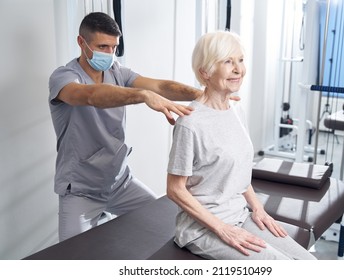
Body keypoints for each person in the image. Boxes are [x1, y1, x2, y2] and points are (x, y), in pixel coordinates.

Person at [48, 12, 201, 242]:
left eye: (113, 47)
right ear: (81, 43)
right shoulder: (64, 77)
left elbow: (160, 85)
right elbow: (90, 95)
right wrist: (142, 95)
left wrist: (202, 95)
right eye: (102, 46)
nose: (109, 54)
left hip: (120, 184)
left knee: (167, 222)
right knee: (71, 258)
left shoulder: (117, 72)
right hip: (81, 192)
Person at [166, 30, 317, 260]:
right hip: (202, 229)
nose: (239, 69)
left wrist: (257, 207)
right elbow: (175, 189)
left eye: (240, 60)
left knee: (309, 263)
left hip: (240, 216)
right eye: (228, 61)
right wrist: (222, 229)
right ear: (204, 72)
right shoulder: (190, 123)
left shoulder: (236, 110)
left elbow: (239, 172)